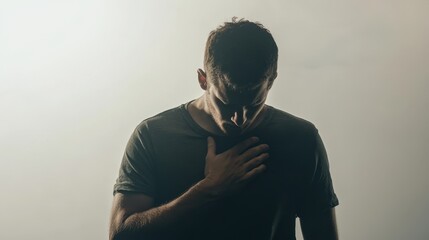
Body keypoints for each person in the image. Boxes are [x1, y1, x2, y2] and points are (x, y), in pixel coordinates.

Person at [109, 18, 339, 240]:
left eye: (253, 104)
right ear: (203, 79)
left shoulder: (301, 139)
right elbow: (119, 235)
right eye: (226, 104)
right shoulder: (153, 135)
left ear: (271, 81)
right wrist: (208, 189)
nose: (239, 119)